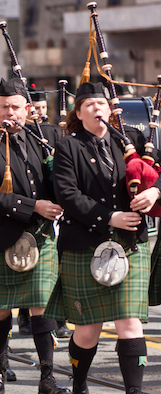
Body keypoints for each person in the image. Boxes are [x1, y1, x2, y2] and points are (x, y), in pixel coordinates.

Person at [43, 82, 158, 394]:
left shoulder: (132, 140)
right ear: (78, 113)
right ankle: (79, 384)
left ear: (110, 109)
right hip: (84, 243)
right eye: (89, 105)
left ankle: (134, 390)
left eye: (101, 103)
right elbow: (67, 194)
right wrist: (110, 217)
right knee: (87, 330)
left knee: (129, 323)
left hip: (129, 245)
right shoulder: (68, 146)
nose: (97, 108)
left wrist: (153, 191)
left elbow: (158, 172)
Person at [0, 78, 68, 394]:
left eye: (15, 107)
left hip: (38, 234)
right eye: (3, 107)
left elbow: (62, 180)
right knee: (0, 309)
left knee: (42, 305)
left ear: (27, 109)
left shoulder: (46, 135)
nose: (9, 113)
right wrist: (33, 205)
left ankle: (47, 378)